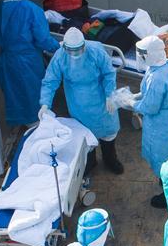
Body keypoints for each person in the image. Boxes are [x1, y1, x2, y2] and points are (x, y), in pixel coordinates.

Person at [39, 28, 124, 174]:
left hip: (101, 98)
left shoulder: (96, 50)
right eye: (71, 50)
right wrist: (45, 104)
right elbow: (50, 80)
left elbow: (109, 73)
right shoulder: (60, 57)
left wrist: (110, 95)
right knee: (84, 135)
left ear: (84, 45)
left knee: (108, 132)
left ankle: (110, 159)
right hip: (78, 102)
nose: (75, 54)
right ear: (64, 47)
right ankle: (90, 162)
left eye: (78, 50)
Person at [127, 36, 168, 209]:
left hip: (163, 124)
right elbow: (154, 93)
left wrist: (130, 103)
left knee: (164, 158)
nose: (140, 57)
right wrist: (138, 96)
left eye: (142, 54)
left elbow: (150, 107)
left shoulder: (156, 77)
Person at [0, 0, 62, 126]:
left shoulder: (2, 6)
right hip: (27, 60)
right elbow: (43, 39)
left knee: (14, 91)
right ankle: (36, 123)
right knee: (31, 91)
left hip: (7, 59)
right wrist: (58, 47)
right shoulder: (32, 10)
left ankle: (22, 121)